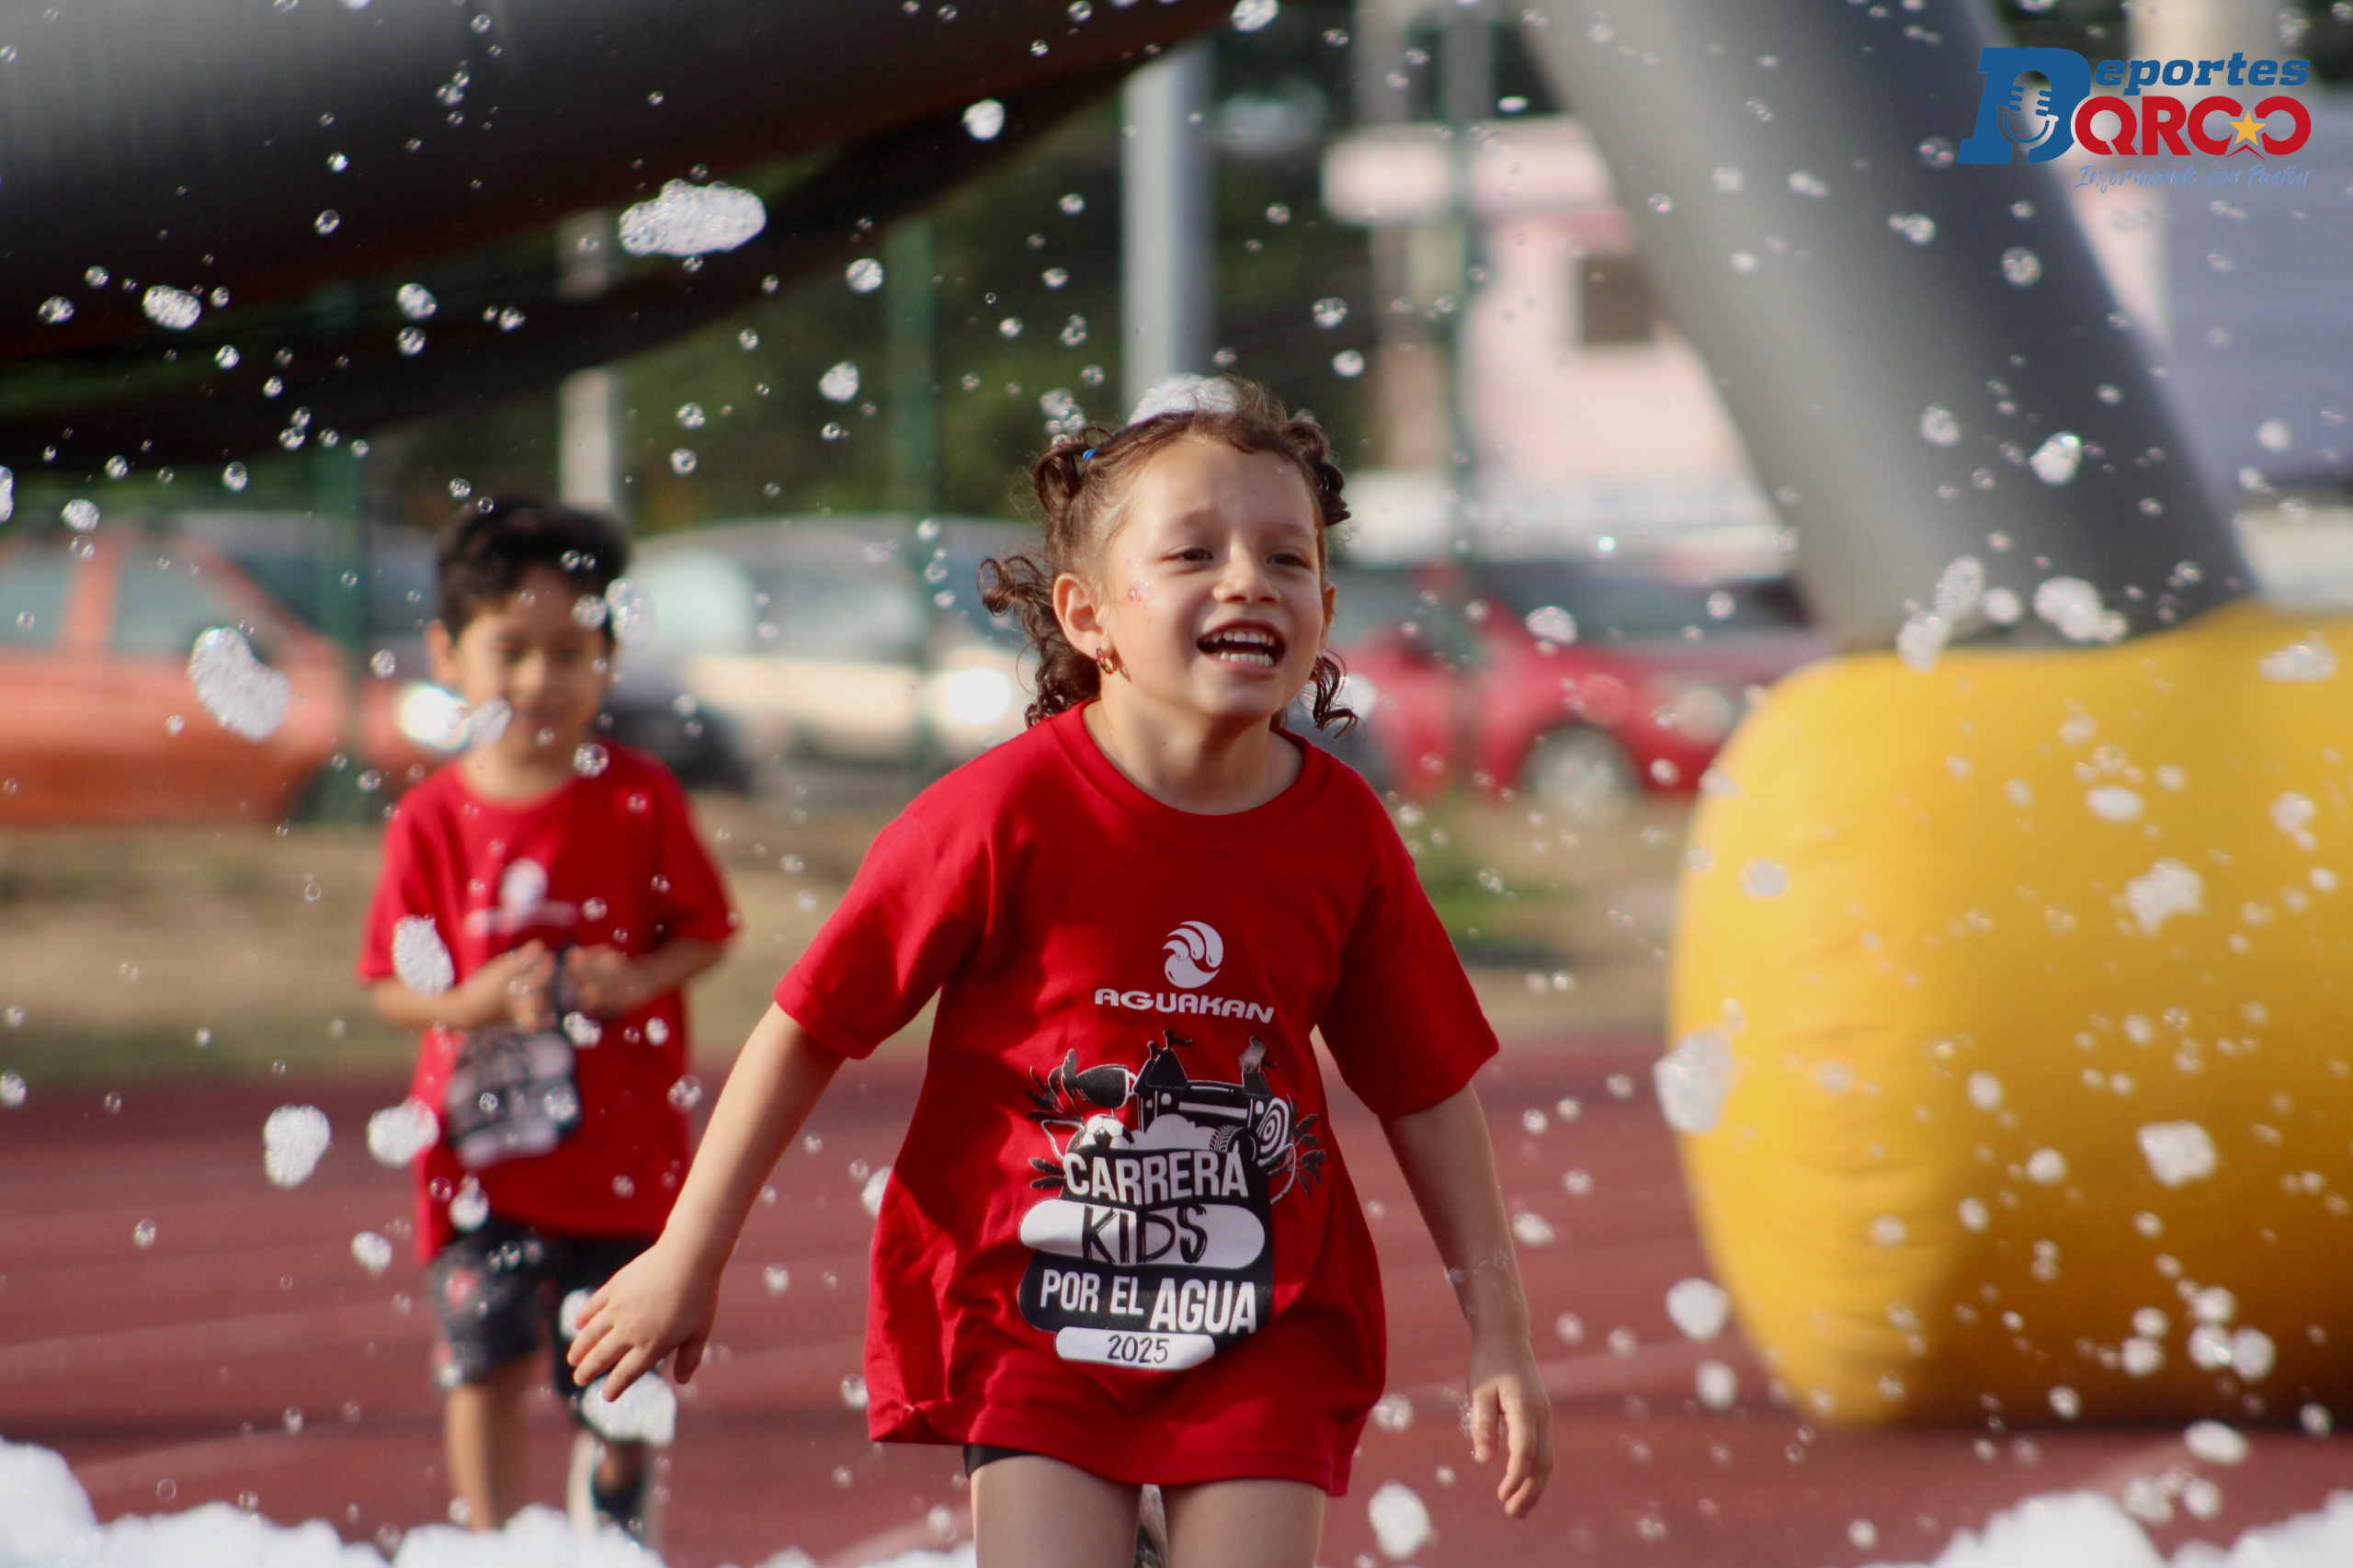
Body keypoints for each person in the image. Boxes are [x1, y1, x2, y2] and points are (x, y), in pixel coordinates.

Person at [568, 379, 1552, 1567]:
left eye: (1285, 558)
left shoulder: (1342, 834)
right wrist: (690, 1250)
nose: (1247, 578)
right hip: (1040, 1307)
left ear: (1325, 609)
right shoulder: (999, 813)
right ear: (1088, 617)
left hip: (1259, 1319)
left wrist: (1501, 1334)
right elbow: (812, 1022)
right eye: (1193, 551)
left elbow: (1427, 1087)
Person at [358, 496, 736, 1546]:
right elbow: (389, 984)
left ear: (610, 655)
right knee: (481, 1360)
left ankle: (613, 1506)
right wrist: (470, 1003)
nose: (538, 680)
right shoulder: (429, 818)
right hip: (480, 1160)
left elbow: (709, 930)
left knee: (617, 1377)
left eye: (571, 650)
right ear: (449, 653)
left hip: (622, 1153)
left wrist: (636, 976)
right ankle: (490, 1539)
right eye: (510, 650)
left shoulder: (638, 797)